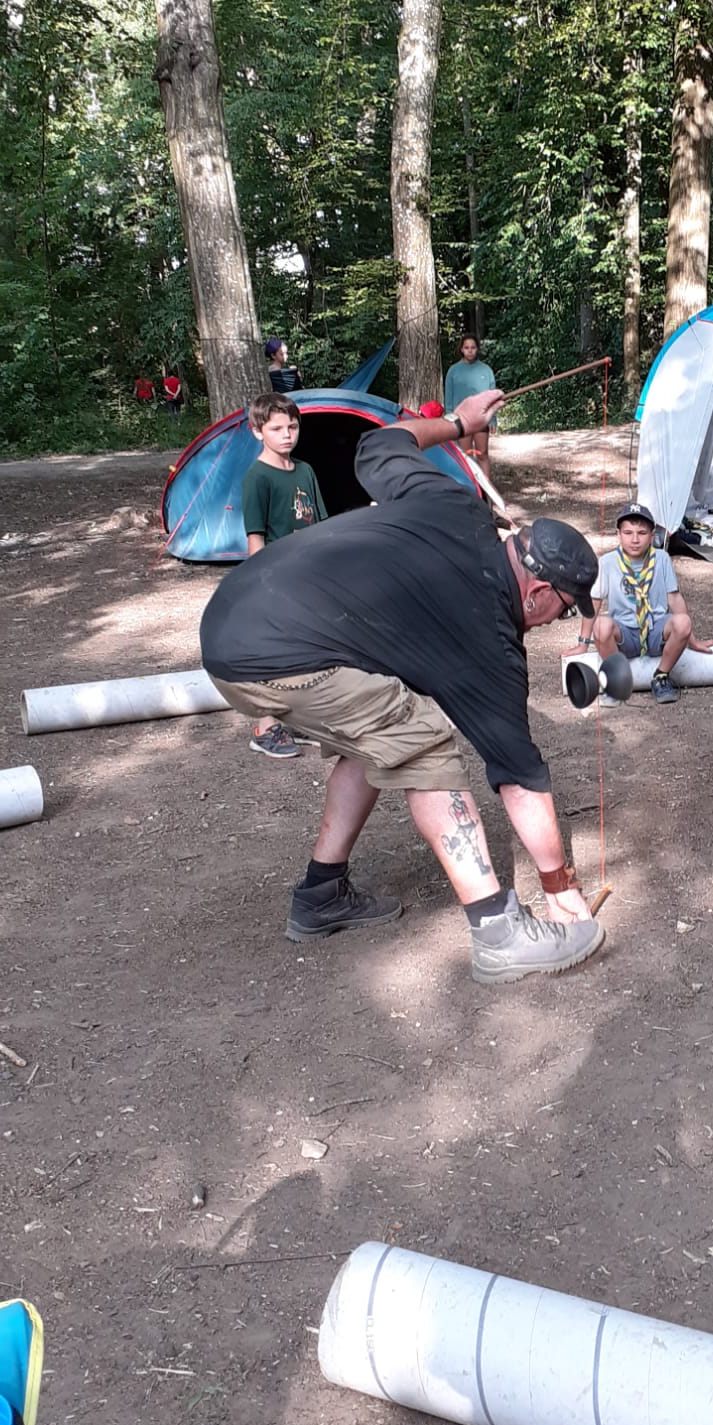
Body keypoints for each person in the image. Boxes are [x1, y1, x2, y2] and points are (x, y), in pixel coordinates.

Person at [200, 386, 608, 984]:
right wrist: (557, 885)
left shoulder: (457, 502)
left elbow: (381, 443)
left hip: (233, 616)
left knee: (375, 728)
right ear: (540, 592)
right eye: (564, 611)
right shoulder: (488, 637)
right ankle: (499, 934)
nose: (556, 622)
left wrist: (457, 422)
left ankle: (320, 895)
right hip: (275, 654)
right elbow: (520, 776)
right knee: (421, 739)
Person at [241, 393, 329, 759]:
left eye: (292, 426)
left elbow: (319, 526)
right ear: (257, 431)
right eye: (276, 428)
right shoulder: (257, 477)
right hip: (277, 579)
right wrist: (260, 586)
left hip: (307, 577)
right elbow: (255, 538)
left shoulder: (305, 470)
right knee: (276, 652)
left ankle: (295, 719)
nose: (286, 434)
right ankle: (265, 727)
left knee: (306, 650)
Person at [574, 502, 711, 704]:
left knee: (683, 622)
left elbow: (674, 599)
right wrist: (582, 644)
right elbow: (594, 602)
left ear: (652, 535)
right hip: (625, 632)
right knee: (602, 625)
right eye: (628, 533)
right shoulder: (607, 562)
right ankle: (616, 680)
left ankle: (661, 676)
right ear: (618, 534)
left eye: (642, 533)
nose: (635, 539)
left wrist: (693, 640)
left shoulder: (661, 558)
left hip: (656, 630)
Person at [444, 334, 497, 468]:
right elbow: (448, 397)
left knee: (482, 454)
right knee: (465, 456)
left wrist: (492, 420)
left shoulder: (486, 371)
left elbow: (492, 398)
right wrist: (449, 418)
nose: (470, 351)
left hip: (481, 417)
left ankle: (485, 482)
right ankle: (470, 482)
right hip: (461, 419)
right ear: (462, 349)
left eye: (473, 347)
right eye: (466, 348)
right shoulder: (453, 371)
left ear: (477, 349)